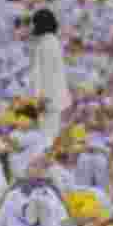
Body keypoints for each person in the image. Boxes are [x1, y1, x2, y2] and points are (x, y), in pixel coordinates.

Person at [29, 8, 71, 140]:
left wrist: (42, 97)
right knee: (49, 133)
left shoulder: (47, 44)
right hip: (52, 98)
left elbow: (47, 74)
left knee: (47, 136)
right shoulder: (51, 41)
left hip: (48, 99)